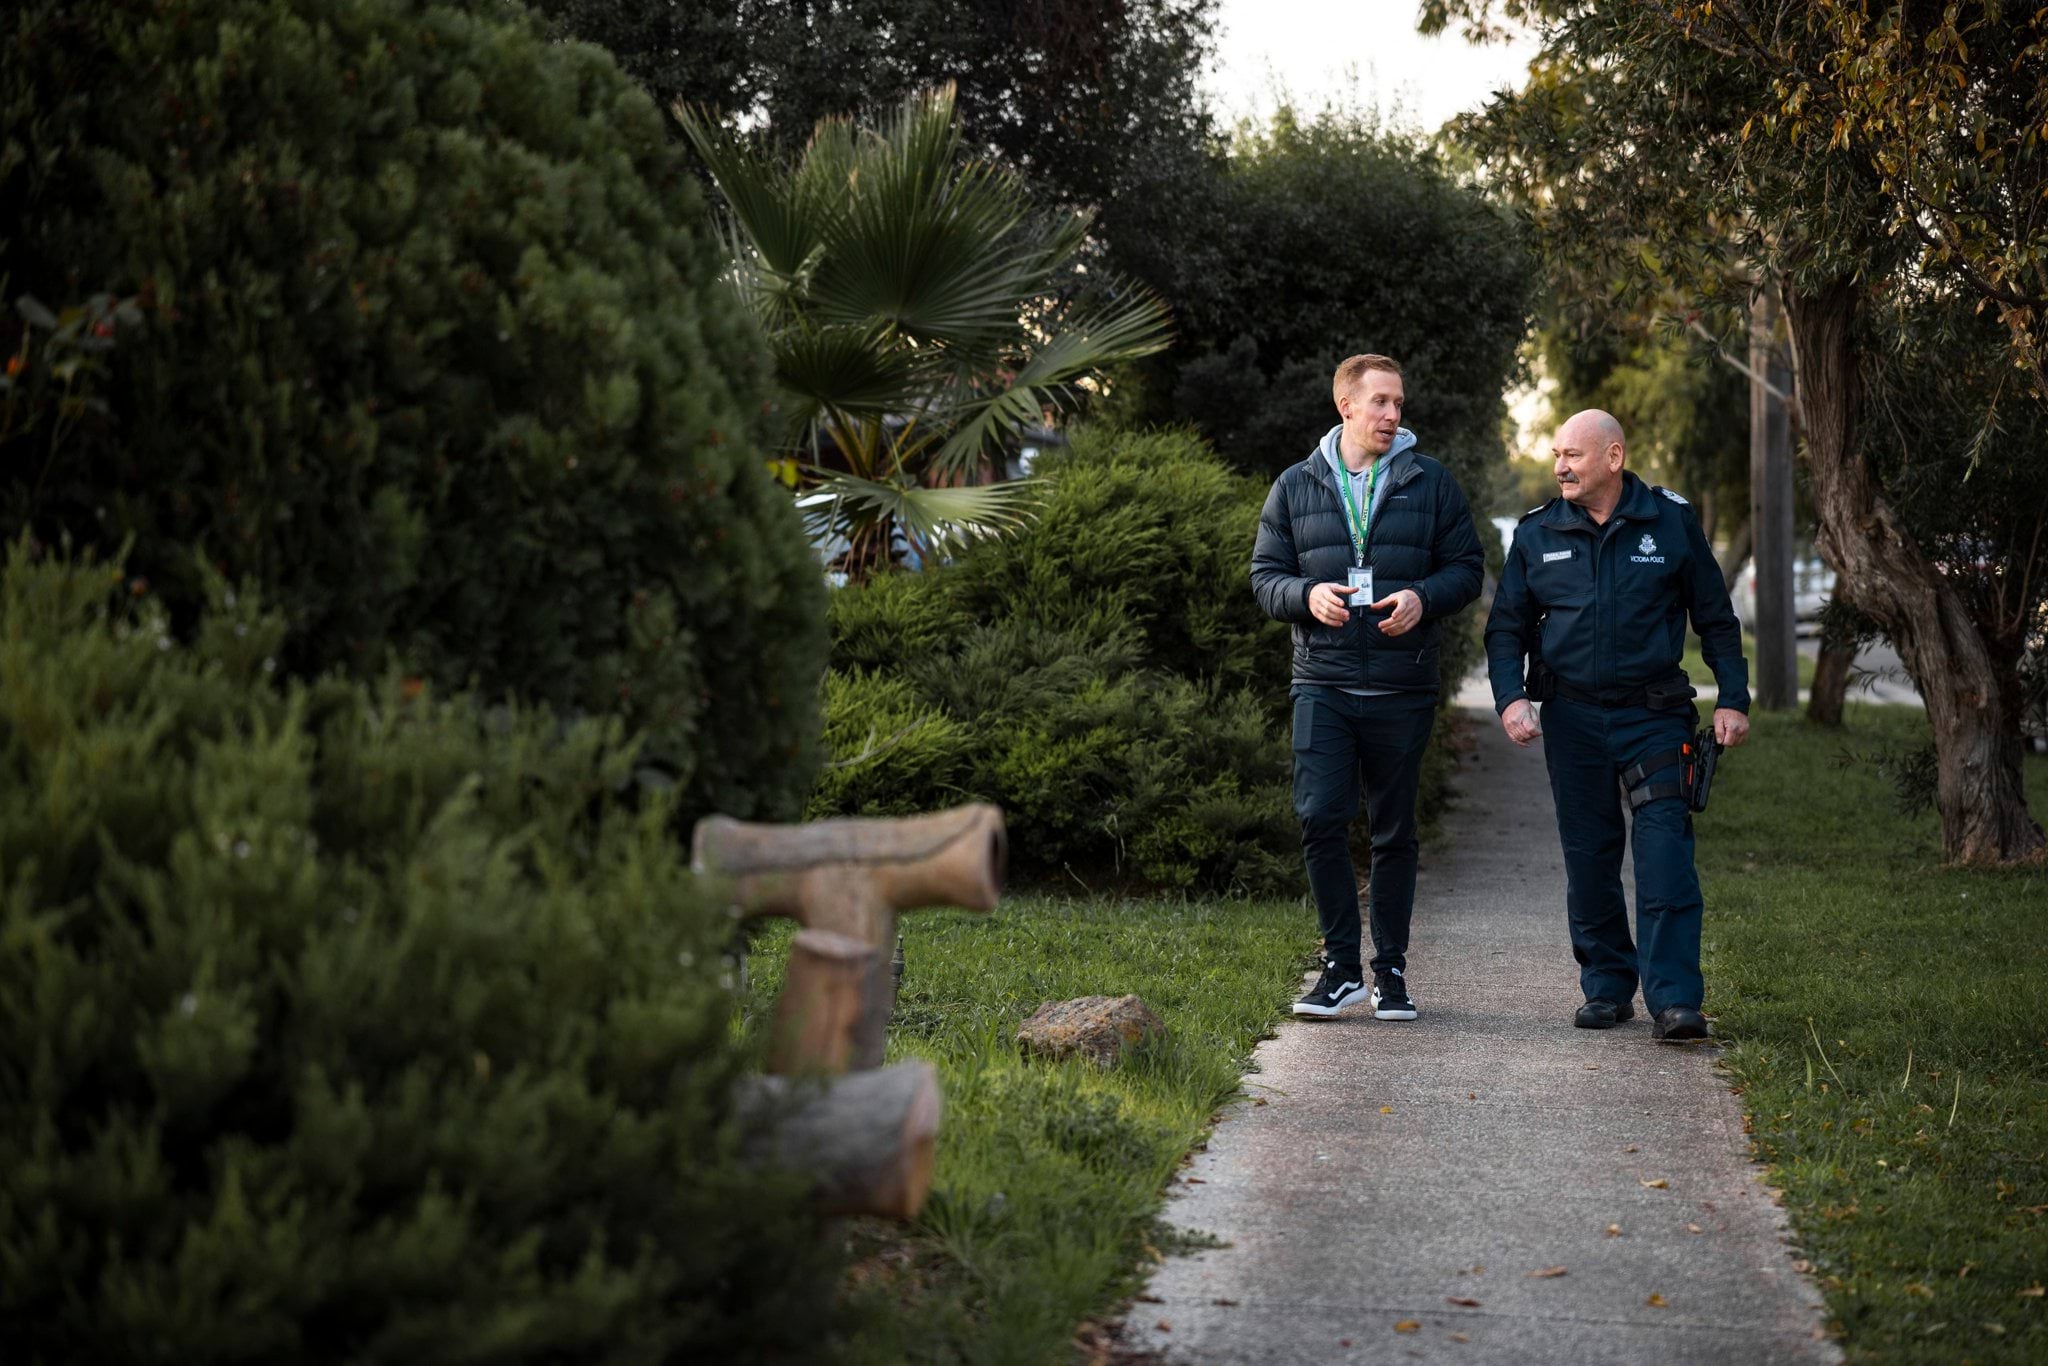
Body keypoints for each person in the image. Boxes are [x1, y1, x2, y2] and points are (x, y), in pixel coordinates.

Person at [1484, 409, 1751, 1042]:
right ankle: (1607, 986)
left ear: (1613, 457)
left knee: (1664, 854)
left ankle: (1676, 1000)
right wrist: (1509, 698)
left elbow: (1715, 617)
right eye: (1556, 455)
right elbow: (1505, 629)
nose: (1560, 467)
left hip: (1654, 717)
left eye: (1573, 455)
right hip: (1573, 718)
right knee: (1590, 856)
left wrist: (1733, 698)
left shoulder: (1671, 521)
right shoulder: (1536, 533)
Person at [1250, 354, 1485, 1021]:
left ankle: (1391, 973)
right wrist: (1305, 594)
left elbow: (1466, 569)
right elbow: (1264, 577)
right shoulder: (1295, 487)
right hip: (1322, 686)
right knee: (1320, 819)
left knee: (1393, 833)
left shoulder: (1429, 482)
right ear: (1345, 405)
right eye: (1380, 402)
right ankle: (1339, 969)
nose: (1392, 415)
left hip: (1401, 688)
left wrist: (1421, 597)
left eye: (1399, 404)